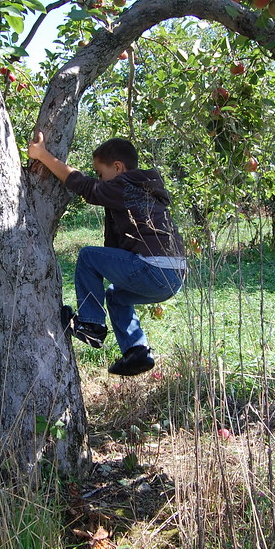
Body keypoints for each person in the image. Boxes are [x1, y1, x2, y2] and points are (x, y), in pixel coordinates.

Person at [27, 132, 187, 377]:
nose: (99, 180)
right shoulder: (142, 191)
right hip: (174, 278)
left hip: (153, 268)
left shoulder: (125, 185)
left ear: (118, 167)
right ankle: (137, 351)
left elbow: (85, 187)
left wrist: (42, 155)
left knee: (88, 256)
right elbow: (115, 248)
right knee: (116, 296)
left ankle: (91, 324)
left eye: (100, 174)